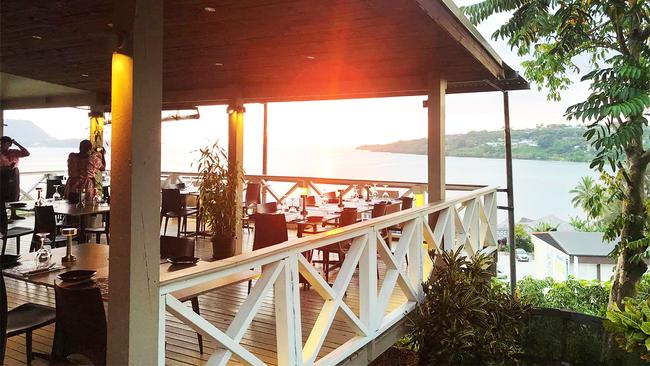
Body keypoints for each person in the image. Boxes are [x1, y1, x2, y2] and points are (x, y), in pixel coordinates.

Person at [0, 136, 30, 203]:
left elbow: (27, 153)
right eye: (1, 143)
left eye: (4, 143)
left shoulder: (14, 152)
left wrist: (17, 144)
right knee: (2, 197)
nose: (2, 145)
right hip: (2, 177)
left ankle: (13, 213)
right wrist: (6, 168)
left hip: (13, 177)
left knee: (14, 195)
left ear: (9, 144)